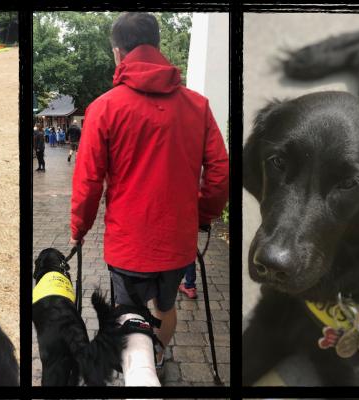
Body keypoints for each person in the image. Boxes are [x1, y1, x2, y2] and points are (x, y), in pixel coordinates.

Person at [68, 12, 229, 374]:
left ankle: (137, 370)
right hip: (177, 242)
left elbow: (88, 182)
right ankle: (158, 355)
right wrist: (202, 215)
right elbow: (220, 173)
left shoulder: (103, 108)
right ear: (156, 46)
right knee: (166, 307)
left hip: (129, 243)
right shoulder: (197, 106)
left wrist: (79, 228)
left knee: (128, 314)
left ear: (118, 52)